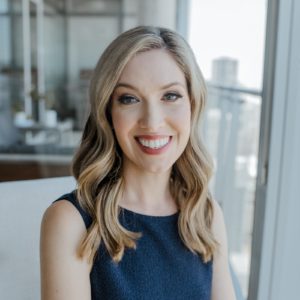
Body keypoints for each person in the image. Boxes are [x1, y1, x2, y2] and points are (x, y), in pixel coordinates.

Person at [40, 26, 236, 300]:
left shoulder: (206, 214)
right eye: (129, 99)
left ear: (193, 104)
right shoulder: (72, 222)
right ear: (107, 113)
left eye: (170, 96)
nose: (152, 122)